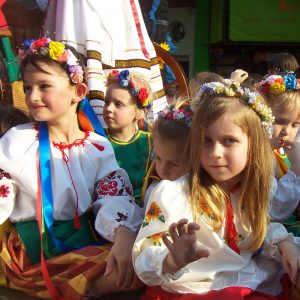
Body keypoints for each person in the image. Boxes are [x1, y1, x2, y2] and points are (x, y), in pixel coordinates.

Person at [0, 37, 144, 299]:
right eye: (28, 86)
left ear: (78, 92)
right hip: (33, 248)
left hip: (82, 241)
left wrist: (123, 233)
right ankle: (79, 289)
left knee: (135, 266)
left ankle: (81, 288)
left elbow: (112, 197)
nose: (32, 96)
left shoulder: (97, 147)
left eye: (44, 86)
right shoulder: (17, 141)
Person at [133, 80, 300, 299]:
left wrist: (285, 244)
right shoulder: (174, 194)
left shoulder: (258, 188)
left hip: (248, 281)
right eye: (206, 141)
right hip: (194, 288)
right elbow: (144, 254)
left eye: (229, 141)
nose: (215, 153)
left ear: (254, 145)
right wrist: (171, 260)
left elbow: (256, 230)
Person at [255, 74, 300, 234]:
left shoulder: (280, 151)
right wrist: (295, 171)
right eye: (279, 121)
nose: (287, 131)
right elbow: (274, 212)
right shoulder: (256, 157)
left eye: (295, 124)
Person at [103, 69, 152, 207]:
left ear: (140, 113)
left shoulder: (150, 142)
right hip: (107, 208)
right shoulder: (97, 140)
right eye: (107, 102)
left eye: (118, 104)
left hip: (144, 207)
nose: (109, 108)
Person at [142, 98, 193, 207]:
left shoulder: (198, 196)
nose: (163, 171)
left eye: (175, 163)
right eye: (158, 158)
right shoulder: (154, 191)